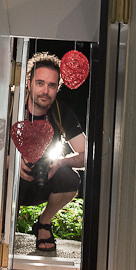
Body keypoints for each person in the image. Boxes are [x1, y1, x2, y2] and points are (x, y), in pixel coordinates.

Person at [18, 52, 86, 251]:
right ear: (28, 83)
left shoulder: (61, 111)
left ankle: (44, 223)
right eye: (40, 83)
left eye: (52, 85)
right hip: (9, 182)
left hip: (44, 181)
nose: (45, 91)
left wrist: (60, 163)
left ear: (58, 88)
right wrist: (10, 162)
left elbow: (87, 155)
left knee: (69, 178)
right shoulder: (11, 105)